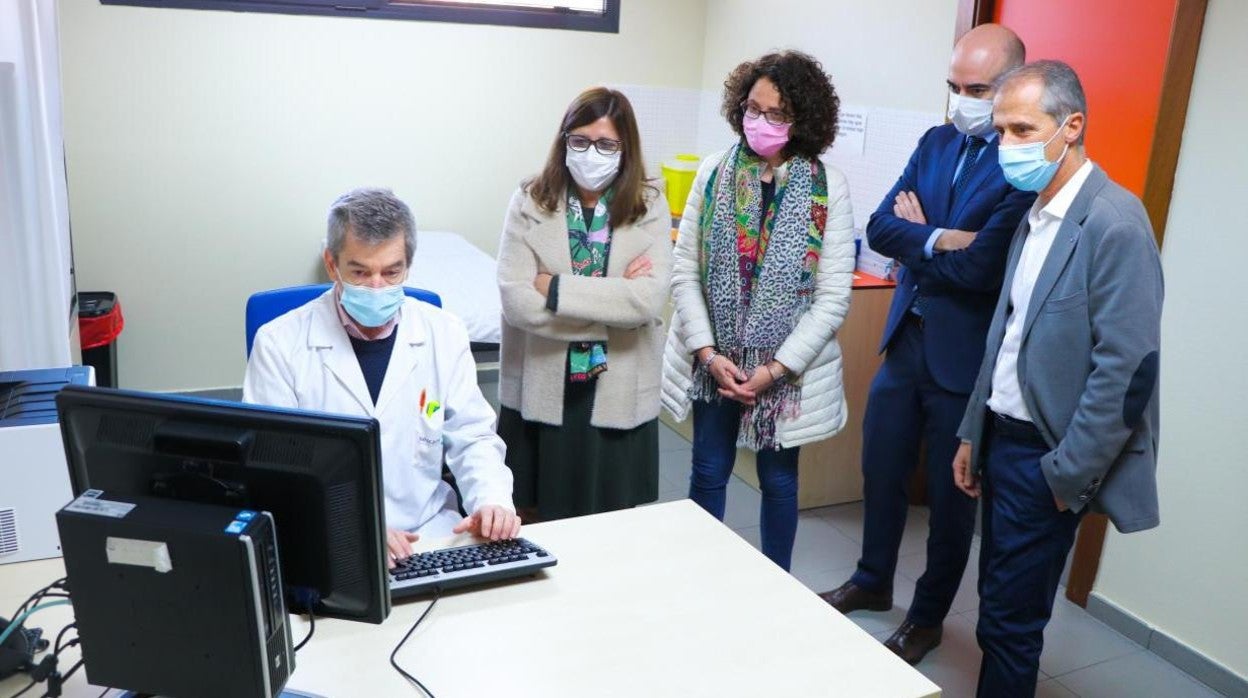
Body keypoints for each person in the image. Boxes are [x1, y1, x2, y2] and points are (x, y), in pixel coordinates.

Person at [820, 24, 1035, 665]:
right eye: (954, 86)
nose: (961, 100)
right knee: (880, 470)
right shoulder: (937, 142)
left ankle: (927, 617)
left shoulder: (1022, 164)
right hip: (905, 337)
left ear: (1012, 89)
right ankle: (872, 577)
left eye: (977, 88)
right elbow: (883, 227)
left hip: (963, 359)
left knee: (948, 499)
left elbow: (982, 272)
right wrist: (944, 238)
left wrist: (924, 237)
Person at [954, 60, 1163, 696]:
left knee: (1013, 626)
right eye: (1001, 131)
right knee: (997, 607)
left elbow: (1126, 375)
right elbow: (1007, 336)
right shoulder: (1033, 210)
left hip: (1047, 458)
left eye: (1022, 129)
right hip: (1002, 438)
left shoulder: (1116, 224)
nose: (1006, 146)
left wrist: (1065, 476)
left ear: (1071, 127)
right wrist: (973, 431)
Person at [244, 188, 520, 568]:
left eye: (392, 272)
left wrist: (492, 501)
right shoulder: (280, 343)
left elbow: (472, 436)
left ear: (409, 264)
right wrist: (354, 526)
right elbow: (275, 467)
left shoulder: (443, 332)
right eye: (359, 272)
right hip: (331, 537)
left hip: (430, 532)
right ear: (331, 263)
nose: (377, 287)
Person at [661, 51, 854, 571]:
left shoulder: (826, 186)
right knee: (707, 469)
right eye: (752, 108)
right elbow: (684, 271)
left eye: (775, 114)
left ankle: (778, 587)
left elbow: (833, 296)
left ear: (803, 121)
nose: (759, 123)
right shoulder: (714, 172)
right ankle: (698, 577)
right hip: (716, 362)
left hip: (783, 371)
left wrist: (773, 370)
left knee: (779, 481)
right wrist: (706, 352)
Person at [496, 87, 672, 522]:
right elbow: (516, 298)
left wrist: (555, 289)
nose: (592, 153)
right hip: (542, 381)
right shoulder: (530, 200)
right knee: (534, 517)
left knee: (612, 523)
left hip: (617, 386)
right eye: (581, 141)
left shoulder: (648, 205)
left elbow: (647, 301)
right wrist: (612, 310)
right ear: (564, 141)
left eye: (607, 144)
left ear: (625, 148)